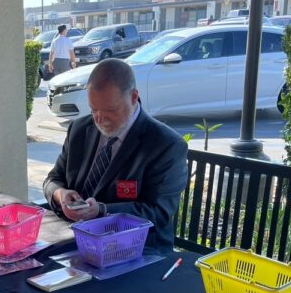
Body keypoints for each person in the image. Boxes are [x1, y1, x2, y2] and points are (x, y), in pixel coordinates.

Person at [43, 58, 188, 253]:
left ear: (134, 97)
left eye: (111, 110)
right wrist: (60, 194)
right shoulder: (80, 129)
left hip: (134, 249)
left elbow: (158, 212)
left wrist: (102, 211)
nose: (100, 119)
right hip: (77, 240)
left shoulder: (165, 145)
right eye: (94, 109)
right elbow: (53, 179)